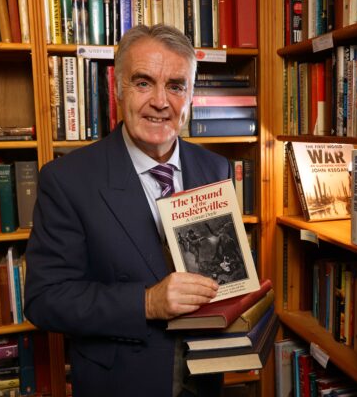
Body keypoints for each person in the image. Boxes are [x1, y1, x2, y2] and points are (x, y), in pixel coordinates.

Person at [24, 24, 232, 396]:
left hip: (205, 378)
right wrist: (146, 302)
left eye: (176, 85)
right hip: (122, 382)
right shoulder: (67, 180)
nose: (160, 101)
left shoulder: (216, 168)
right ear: (117, 89)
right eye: (143, 82)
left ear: (191, 95)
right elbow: (45, 300)